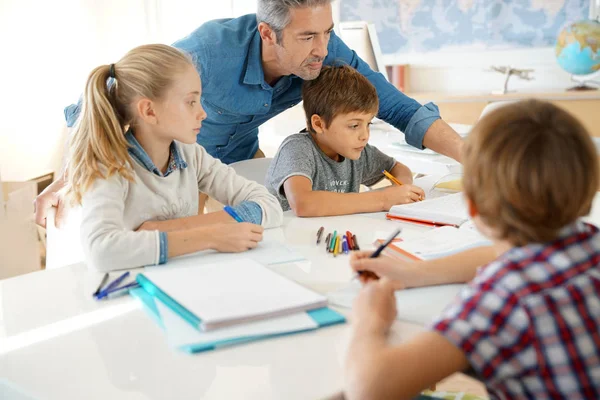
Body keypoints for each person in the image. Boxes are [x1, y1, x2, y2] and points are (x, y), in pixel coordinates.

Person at [35, 0, 463, 227]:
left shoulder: (325, 53)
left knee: (274, 227)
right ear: (267, 33)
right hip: (186, 164)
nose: (322, 48)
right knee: (189, 247)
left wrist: (471, 157)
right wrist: (71, 173)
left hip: (240, 157)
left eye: (328, 33)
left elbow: (399, 107)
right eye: (308, 36)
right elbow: (108, 94)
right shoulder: (205, 54)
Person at [344, 100, 600, 399]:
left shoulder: (505, 296)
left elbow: (369, 389)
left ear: (474, 207)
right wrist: (413, 273)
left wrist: (370, 320)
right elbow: (499, 256)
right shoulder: (589, 241)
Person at [65, 44, 282, 272]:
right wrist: (208, 236)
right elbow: (100, 251)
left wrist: (172, 229)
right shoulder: (109, 167)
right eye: (191, 102)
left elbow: (269, 205)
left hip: (183, 279)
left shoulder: (191, 154)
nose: (203, 113)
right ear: (149, 111)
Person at [265, 65, 424, 216]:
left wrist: (404, 188)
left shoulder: (357, 150)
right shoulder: (297, 149)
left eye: (368, 124)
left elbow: (397, 168)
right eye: (354, 125)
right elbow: (303, 204)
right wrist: (383, 199)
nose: (365, 135)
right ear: (319, 124)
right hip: (289, 240)